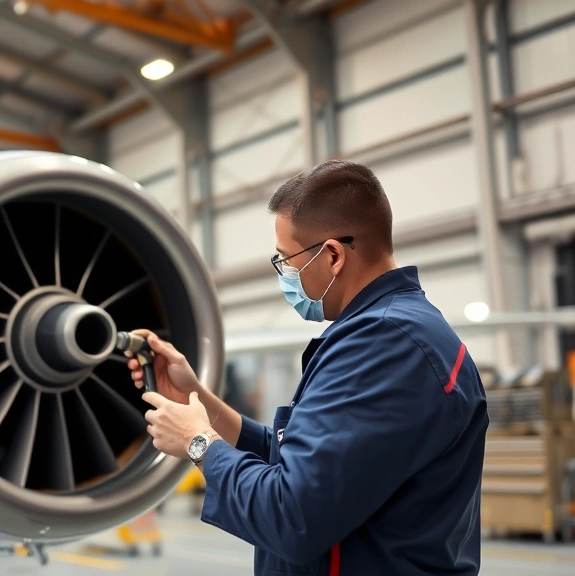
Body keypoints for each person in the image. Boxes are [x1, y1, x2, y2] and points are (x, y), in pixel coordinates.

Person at [128, 160, 489, 576]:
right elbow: (304, 466)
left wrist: (197, 443)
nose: (286, 274)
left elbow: (292, 515)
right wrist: (199, 400)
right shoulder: (391, 331)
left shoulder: (384, 345)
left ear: (332, 255)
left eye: (286, 260)